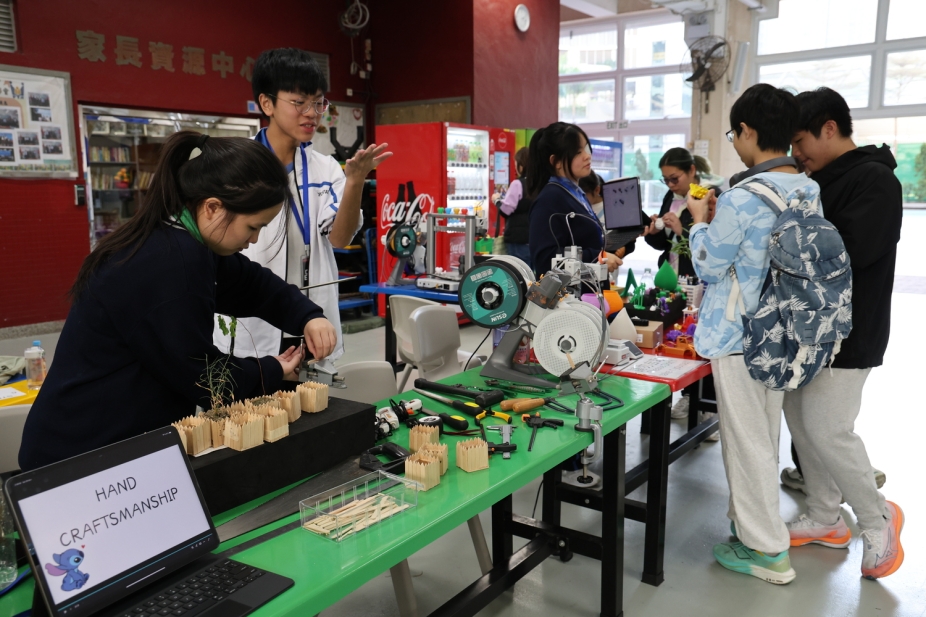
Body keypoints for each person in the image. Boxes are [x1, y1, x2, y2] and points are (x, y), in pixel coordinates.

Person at [18, 131, 337, 471]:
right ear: (212, 207)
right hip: (81, 457)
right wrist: (271, 369)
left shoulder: (183, 236)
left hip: (110, 442)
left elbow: (249, 283)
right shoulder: (171, 263)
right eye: (252, 227)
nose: (255, 239)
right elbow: (201, 376)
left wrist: (307, 316)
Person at [686, 83, 815, 584]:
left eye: (733, 134)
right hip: (786, 330)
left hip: (740, 335)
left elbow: (709, 265)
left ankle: (767, 550)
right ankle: (750, 528)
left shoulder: (742, 197)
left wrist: (699, 222)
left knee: (746, 443)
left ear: (746, 131)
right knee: (763, 434)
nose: (735, 143)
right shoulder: (807, 189)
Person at [780, 87, 903, 580]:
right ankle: (825, 515)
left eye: (800, 141)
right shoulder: (816, 181)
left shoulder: (875, 180)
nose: (796, 153)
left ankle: (877, 521)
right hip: (809, 327)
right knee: (800, 417)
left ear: (829, 128)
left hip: (852, 329)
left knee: (829, 426)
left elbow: (849, 253)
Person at [214, 48, 391, 362]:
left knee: (314, 393)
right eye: (299, 102)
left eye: (319, 102)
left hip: (312, 320)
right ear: (266, 103)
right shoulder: (233, 166)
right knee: (250, 392)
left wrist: (354, 182)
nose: (312, 113)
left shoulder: (325, 168)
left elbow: (340, 238)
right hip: (250, 322)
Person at [526, 122, 622, 277]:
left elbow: (583, 241)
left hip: (588, 287)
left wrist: (618, 244)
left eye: (586, 149)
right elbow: (545, 259)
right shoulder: (549, 200)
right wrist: (598, 257)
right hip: (569, 291)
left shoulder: (576, 193)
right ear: (556, 162)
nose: (587, 156)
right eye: (578, 152)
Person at [643, 148, 723, 279]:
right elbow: (664, 245)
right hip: (671, 275)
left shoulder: (710, 196)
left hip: (697, 277)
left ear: (692, 170)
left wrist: (681, 231)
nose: (670, 185)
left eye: (674, 179)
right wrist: (655, 232)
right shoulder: (671, 196)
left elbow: (716, 246)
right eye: (665, 180)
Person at [578, 172, 637, 260]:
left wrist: (624, 248)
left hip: (609, 263)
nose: (580, 199)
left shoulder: (614, 208)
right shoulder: (577, 208)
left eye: (584, 195)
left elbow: (627, 239)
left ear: (597, 190)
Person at [492, 147, 533, 268]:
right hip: (534, 239)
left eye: (516, 164)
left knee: (518, 274)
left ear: (522, 165)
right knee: (532, 274)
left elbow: (506, 210)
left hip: (518, 239)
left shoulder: (518, 184)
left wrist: (496, 200)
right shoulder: (539, 183)